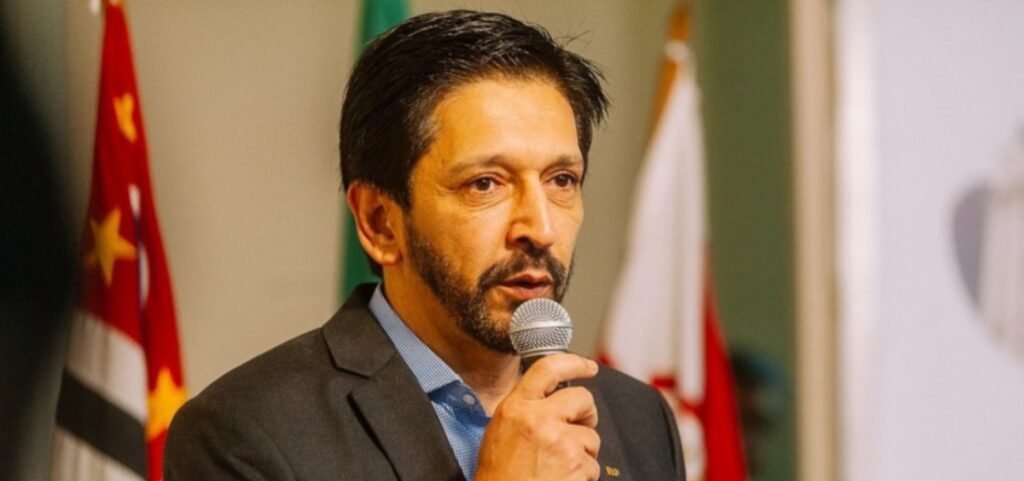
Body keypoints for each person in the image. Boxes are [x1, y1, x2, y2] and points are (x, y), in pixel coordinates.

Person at [165, 10, 685, 481]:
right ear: (380, 223)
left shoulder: (636, 417)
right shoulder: (246, 432)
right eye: (485, 183)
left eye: (562, 180)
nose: (541, 228)